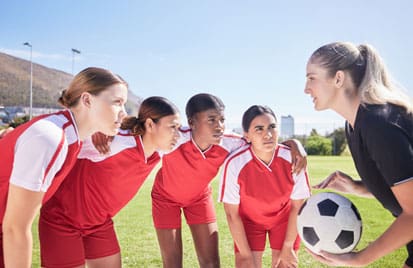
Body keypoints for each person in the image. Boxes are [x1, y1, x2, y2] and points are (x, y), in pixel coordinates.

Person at [151, 93, 307, 268]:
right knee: (172, 263)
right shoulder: (174, 139)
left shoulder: (230, 143)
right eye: (211, 120)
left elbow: (261, 142)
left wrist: (295, 144)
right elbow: (145, 140)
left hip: (198, 199)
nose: (219, 126)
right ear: (192, 122)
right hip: (165, 199)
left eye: (222, 120)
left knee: (211, 263)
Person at [0, 67, 128, 267]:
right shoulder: (51, 138)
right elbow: (15, 229)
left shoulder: (70, 136)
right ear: (87, 100)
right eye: (117, 103)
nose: (124, 113)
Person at [304, 41, 413, 267]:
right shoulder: (355, 125)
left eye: (311, 77)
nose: (306, 88)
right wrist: (358, 187)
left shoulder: (379, 123)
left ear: (338, 79)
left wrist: (359, 258)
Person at [38, 96, 181, 268]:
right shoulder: (113, 142)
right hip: (61, 220)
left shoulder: (158, 151)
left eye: (178, 127)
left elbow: (196, 134)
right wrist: (96, 128)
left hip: (99, 224)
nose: (178, 134)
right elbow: (63, 135)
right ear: (150, 125)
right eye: (173, 127)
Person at [218, 105, 311, 268]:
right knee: (245, 264)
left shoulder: (293, 159)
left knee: (286, 263)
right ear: (247, 135)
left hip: (284, 219)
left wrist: (288, 247)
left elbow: (298, 206)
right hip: (249, 221)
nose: (268, 135)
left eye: (272, 127)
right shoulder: (235, 163)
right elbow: (232, 214)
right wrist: (247, 257)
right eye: (259, 129)